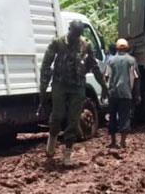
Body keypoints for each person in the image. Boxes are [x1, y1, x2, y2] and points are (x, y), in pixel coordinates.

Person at [40, 20, 109, 166]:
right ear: (69, 29)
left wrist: (104, 86)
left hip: (77, 87)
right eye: (73, 33)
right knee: (57, 116)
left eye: (78, 34)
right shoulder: (57, 43)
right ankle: (51, 143)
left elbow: (94, 66)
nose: (75, 37)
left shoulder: (85, 45)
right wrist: (43, 88)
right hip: (60, 84)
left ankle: (67, 155)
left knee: (73, 120)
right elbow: (46, 65)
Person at [104, 39, 141, 148]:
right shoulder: (131, 60)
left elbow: (106, 77)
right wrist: (137, 94)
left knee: (112, 116)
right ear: (127, 48)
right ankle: (123, 142)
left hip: (113, 93)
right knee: (124, 117)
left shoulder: (111, 61)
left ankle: (113, 142)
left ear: (116, 48)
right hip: (126, 93)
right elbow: (136, 78)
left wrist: (103, 93)